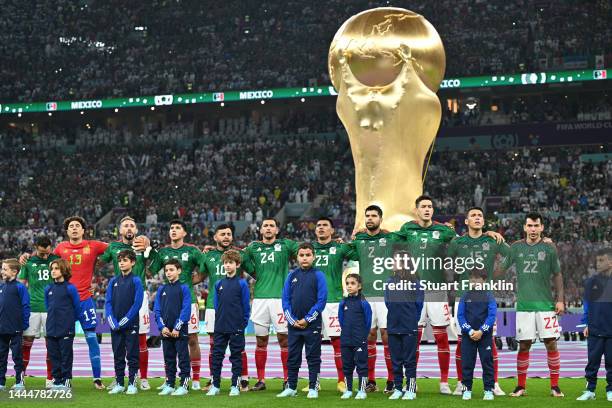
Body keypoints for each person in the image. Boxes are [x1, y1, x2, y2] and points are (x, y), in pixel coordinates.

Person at [21, 216, 110, 389]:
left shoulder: (94, 245)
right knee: (62, 342)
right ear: (67, 231)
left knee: (92, 338)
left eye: (78, 226)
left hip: (85, 300)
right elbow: (44, 257)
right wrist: (27, 256)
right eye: (71, 226)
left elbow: (114, 250)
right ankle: (61, 378)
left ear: (84, 230)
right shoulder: (61, 248)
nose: (75, 228)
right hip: (65, 304)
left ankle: (97, 379)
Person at [447, 207, 509, 396]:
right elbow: (447, 263)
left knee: (488, 338)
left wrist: (495, 275)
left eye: (480, 216)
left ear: (483, 221)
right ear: (466, 221)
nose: (477, 218)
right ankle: (461, 383)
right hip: (462, 297)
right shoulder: (457, 242)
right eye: (473, 215)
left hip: (484, 297)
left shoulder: (492, 239)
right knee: (461, 340)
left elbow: (511, 255)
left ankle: (494, 383)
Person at [502, 213, 565, 398]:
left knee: (551, 343)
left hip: (546, 306)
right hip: (524, 306)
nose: (533, 229)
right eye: (530, 226)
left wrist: (560, 299)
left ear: (542, 227)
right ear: (524, 227)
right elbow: (501, 269)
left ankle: (555, 386)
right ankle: (521, 386)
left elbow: (558, 274)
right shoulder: (516, 248)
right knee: (524, 346)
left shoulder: (549, 248)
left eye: (536, 226)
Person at [241, 218, 299, 391]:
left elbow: (306, 251)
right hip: (260, 299)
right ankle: (261, 380)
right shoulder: (253, 247)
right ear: (260, 230)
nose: (268, 228)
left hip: (281, 300)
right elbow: (239, 259)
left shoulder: (286, 245)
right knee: (261, 341)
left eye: (271, 225)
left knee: (284, 340)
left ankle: (288, 379)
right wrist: (254, 273)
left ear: (277, 230)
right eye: (265, 225)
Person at [147, 219, 203, 390]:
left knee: (192, 339)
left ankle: (195, 378)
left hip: (188, 301)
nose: (173, 230)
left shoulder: (192, 250)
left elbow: (204, 269)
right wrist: (149, 253)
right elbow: (150, 271)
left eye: (178, 228)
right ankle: (169, 378)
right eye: (171, 228)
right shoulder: (163, 252)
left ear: (184, 233)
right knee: (168, 340)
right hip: (168, 301)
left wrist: (188, 284)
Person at [196, 224, 250, 392]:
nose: (226, 236)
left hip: (234, 311)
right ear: (215, 237)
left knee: (238, 347)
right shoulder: (209, 255)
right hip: (214, 306)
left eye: (229, 234)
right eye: (222, 234)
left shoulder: (241, 254)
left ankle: (243, 379)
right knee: (215, 346)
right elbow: (200, 276)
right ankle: (214, 379)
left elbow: (254, 271)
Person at [100, 216, 151, 390]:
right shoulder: (113, 247)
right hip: (118, 292)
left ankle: (142, 378)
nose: (129, 228)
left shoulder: (142, 246)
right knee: (118, 341)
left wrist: (150, 247)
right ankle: (119, 377)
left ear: (136, 230)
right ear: (120, 230)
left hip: (139, 294)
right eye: (125, 226)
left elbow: (156, 264)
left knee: (141, 337)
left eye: (132, 225)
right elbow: (97, 260)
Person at [277, 243, 327, 399]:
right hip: (294, 326)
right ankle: (291, 387)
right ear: (297, 257)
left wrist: (307, 319)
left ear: (314, 257)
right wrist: (292, 320)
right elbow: (285, 300)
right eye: (301, 255)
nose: (305, 258)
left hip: (311, 324)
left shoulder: (319, 275)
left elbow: (321, 300)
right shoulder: (291, 275)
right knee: (293, 356)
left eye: (308, 255)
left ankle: (313, 387)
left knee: (313, 357)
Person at [312, 217, 354, 393]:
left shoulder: (339, 247)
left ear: (332, 231)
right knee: (312, 343)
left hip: (334, 301)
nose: (321, 228)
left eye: (325, 226)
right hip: (312, 302)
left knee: (337, 342)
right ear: (315, 230)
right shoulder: (308, 249)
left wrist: (347, 243)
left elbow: (358, 253)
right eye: (318, 225)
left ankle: (341, 380)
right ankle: (314, 382)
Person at [206, 250, 250, 397]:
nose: (228, 265)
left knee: (236, 357)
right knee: (217, 356)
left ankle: (234, 386)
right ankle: (216, 385)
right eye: (225, 263)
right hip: (220, 326)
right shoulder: (219, 283)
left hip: (236, 326)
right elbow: (217, 306)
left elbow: (245, 306)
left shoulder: (242, 283)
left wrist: (242, 324)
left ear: (237, 265)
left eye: (231, 263)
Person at [18, 236, 59, 388]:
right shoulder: (27, 262)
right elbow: (21, 285)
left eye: (47, 252)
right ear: (36, 248)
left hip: (51, 309)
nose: (45, 255)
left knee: (52, 345)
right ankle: (20, 378)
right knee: (26, 345)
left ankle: (50, 379)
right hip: (32, 308)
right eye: (42, 253)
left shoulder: (57, 260)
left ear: (51, 247)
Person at [384, 249, 423, 400]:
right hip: (393, 325)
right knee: (396, 360)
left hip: (409, 325)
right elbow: (388, 302)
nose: (392, 263)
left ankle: (411, 389)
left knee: (409, 360)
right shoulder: (389, 282)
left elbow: (419, 304)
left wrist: (411, 319)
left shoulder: (415, 283)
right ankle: (398, 388)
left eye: (395, 260)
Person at [105, 250, 144, 395]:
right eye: (120, 260)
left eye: (125, 260)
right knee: (118, 355)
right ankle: (120, 383)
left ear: (132, 263)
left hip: (131, 325)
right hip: (116, 326)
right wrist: (112, 321)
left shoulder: (136, 281)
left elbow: (137, 303)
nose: (121, 262)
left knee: (132, 355)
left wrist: (125, 320)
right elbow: (108, 303)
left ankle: (132, 384)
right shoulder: (113, 281)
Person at [576, 247, 612, 401]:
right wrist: (586, 324)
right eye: (597, 260)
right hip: (595, 329)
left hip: (611, 330)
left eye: (601, 260)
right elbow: (587, 305)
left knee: (611, 362)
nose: (598, 263)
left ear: (610, 262)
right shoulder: (591, 282)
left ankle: (610, 390)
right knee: (592, 362)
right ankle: (590, 390)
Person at [456, 269, 497, 401]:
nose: (474, 282)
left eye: (477, 279)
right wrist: (470, 331)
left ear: (484, 280)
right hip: (468, 336)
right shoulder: (465, 296)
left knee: (487, 363)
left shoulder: (489, 296)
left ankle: (488, 390)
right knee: (467, 363)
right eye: (472, 279)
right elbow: (460, 316)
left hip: (484, 336)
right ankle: (466, 389)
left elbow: (492, 316)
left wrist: (481, 331)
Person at [154, 259, 192, 396]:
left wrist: (177, 327)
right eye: (166, 270)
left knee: (183, 358)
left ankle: (184, 385)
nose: (168, 273)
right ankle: (170, 384)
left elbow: (186, 309)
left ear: (179, 271)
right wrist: (161, 327)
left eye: (171, 270)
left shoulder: (184, 288)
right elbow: (157, 310)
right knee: (168, 358)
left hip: (179, 330)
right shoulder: (161, 289)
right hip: (165, 330)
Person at [44, 259, 79, 390]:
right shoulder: (48, 289)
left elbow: (77, 308)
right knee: (54, 356)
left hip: (66, 329)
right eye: (52, 268)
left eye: (56, 268)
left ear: (63, 270)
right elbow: (49, 307)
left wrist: (68, 323)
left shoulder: (70, 288)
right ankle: (57, 381)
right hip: (51, 328)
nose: (53, 271)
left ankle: (66, 381)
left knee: (66, 357)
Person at [339, 273, 372, 400]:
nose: (349, 286)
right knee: (346, 366)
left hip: (360, 340)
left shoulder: (363, 303)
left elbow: (368, 322)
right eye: (347, 283)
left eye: (352, 283)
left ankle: (362, 390)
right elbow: (342, 320)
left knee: (362, 365)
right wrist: (347, 333)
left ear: (359, 286)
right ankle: (348, 390)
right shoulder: (343, 303)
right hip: (346, 339)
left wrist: (362, 336)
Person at [0, 259, 30, 391]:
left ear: (14, 271)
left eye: (5, 269)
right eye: (2, 268)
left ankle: (19, 382)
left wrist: (23, 324)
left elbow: (26, 306)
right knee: (1, 357)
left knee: (17, 356)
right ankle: (1, 382)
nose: (2, 271)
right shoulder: (1, 287)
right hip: (2, 328)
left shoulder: (20, 287)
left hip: (16, 328)